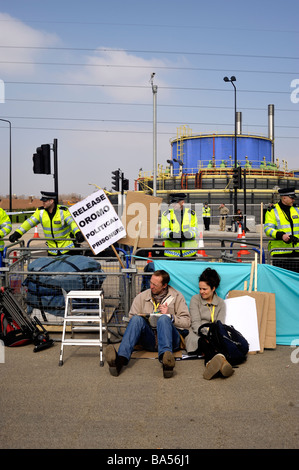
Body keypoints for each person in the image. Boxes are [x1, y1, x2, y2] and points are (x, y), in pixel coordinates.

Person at [106, 269, 190, 378]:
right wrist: (144, 319)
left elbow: (187, 322)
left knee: (164, 319)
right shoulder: (141, 297)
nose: (151, 286)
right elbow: (131, 320)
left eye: (155, 284)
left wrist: (171, 316)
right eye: (150, 282)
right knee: (136, 319)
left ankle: (167, 361)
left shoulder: (178, 297)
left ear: (164, 285)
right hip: (149, 338)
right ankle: (120, 360)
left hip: (170, 339)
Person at [185, 267, 234, 380]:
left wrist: (212, 335)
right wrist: (206, 333)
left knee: (218, 342)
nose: (201, 291)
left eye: (205, 289)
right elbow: (195, 323)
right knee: (203, 342)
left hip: (213, 334)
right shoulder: (195, 299)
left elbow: (219, 324)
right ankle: (215, 364)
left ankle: (216, 366)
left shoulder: (221, 303)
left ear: (213, 288)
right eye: (200, 288)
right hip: (197, 333)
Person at [9, 191, 84, 256]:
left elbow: (72, 223)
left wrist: (78, 232)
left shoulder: (63, 211)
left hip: (67, 249)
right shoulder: (40, 212)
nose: (43, 203)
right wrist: (17, 233)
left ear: (51, 201)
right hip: (52, 251)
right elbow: (28, 223)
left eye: (45, 201)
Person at [264, 187, 299, 272]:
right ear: (284, 198)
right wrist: (282, 235)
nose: (293, 200)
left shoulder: (296, 209)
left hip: (296, 252)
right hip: (280, 254)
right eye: (291, 198)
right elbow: (268, 229)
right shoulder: (272, 211)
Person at [161, 193, 198, 257]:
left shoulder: (191, 214)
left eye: (175, 203)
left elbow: (195, 231)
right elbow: (163, 232)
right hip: (172, 253)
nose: (173, 205)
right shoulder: (166, 214)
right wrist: (171, 234)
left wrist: (189, 234)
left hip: (189, 253)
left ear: (182, 202)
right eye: (172, 203)